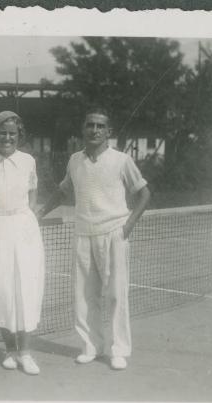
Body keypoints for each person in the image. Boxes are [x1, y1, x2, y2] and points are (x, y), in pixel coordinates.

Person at [38, 108, 150, 370]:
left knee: (115, 296)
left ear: (109, 132)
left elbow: (144, 194)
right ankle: (91, 346)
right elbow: (63, 191)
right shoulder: (75, 160)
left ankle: (118, 350)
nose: (95, 130)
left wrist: (127, 227)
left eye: (100, 126)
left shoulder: (122, 160)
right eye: (90, 125)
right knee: (84, 296)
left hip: (114, 234)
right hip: (83, 234)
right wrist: (40, 212)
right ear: (83, 129)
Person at [0, 111, 45, 375]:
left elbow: (33, 192)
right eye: (2, 133)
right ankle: (9, 350)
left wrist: (28, 215)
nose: (7, 138)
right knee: (2, 288)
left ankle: (25, 353)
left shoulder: (28, 161)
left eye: (12, 133)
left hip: (24, 229)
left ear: (19, 135)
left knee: (25, 287)